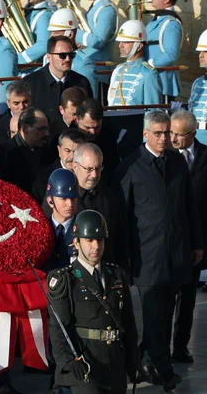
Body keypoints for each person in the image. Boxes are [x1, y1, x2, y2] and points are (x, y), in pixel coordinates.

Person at [113, 111, 202, 391]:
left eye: (168, 133)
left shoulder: (177, 162)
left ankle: (141, 360)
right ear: (146, 134)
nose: (166, 138)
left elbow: (189, 206)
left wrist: (197, 243)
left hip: (177, 252)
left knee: (165, 311)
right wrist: (123, 257)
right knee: (153, 314)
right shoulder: (130, 167)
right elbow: (121, 218)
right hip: (147, 255)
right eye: (160, 133)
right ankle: (164, 370)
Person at [47, 209, 142, 394]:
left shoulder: (116, 275)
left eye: (99, 240)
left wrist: (133, 361)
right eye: (89, 240)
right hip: (84, 365)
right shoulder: (65, 279)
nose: (95, 246)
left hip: (114, 365)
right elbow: (59, 328)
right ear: (76, 242)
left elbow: (128, 324)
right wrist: (68, 361)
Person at [169, 110, 207, 363]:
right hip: (170, 239)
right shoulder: (164, 157)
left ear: (192, 134)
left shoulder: (205, 156)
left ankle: (180, 346)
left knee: (188, 298)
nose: (173, 139)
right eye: (170, 132)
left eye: (179, 135)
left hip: (196, 240)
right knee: (164, 298)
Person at [22, 36, 93, 122]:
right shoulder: (30, 83)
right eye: (62, 55)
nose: (68, 59)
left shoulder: (82, 82)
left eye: (71, 55)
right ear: (49, 56)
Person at [75, 0, 117, 92]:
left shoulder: (106, 9)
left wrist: (74, 33)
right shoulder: (95, 7)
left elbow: (98, 41)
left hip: (98, 72)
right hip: (85, 67)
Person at [144, 0, 183, 101]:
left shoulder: (171, 23)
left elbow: (171, 54)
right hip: (151, 78)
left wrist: (148, 64)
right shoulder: (157, 19)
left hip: (163, 82)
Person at [107, 20, 161, 107]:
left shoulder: (149, 74)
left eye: (125, 42)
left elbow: (152, 112)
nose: (120, 45)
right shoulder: (118, 70)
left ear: (139, 46)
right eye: (120, 42)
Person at [2, 107, 51, 196]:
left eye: (47, 128)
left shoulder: (46, 151)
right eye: (41, 129)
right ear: (25, 129)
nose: (47, 133)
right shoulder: (6, 154)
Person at [33, 128, 86, 202]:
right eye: (67, 150)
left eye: (76, 152)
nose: (72, 156)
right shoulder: (44, 178)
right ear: (59, 150)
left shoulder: (91, 175)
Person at [41, 168, 77, 271]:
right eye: (64, 199)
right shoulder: (41, 230)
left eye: (73, 198)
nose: (70, 204)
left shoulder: (82, 229)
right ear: (50, 201)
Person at [19, 0, 56, 65]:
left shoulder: (45, 15)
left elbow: (44, 45)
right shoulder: (30, 9)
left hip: (33, 69)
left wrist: (17, 59)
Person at [0, 80, 31, 146]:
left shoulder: (41, 120)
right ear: (8, 103)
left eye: (25, 102)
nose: (21, 107)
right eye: (16, 103)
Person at [188, 29, 207, 131]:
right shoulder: (197, 82)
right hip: (195, 138)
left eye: (205, 51)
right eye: (200, 51)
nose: (200, 55)